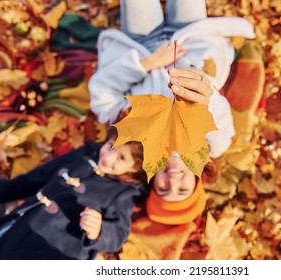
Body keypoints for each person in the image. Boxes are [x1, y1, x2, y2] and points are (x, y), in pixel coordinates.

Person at [88, 0, 255, 225]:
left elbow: (103, 88)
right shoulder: (213, 146)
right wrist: (202, 97)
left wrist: (148, 63)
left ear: (152, 181)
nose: (173, 179)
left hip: (143, 43)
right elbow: (217, 108)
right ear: (196, 182)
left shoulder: (129, 141)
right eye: (183, 188)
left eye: (164, 188)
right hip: (194, 40)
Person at [0, 134, 147, 260]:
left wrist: (99, 231)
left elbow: (119, 233)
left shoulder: (124, 192)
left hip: (53, 250)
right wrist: (1, 189)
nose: (108, 157)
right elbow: (40, 176)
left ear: (135, 168)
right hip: (21, 226)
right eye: (111, 145)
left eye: (122, 158)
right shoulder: (87, 154)